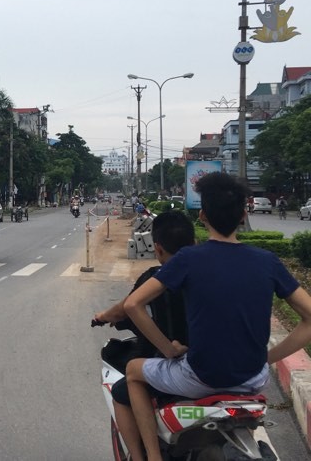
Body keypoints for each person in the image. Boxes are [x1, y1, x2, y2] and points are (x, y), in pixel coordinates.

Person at [124, 171, 311, 461]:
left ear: (202, 216)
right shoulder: (268, 261)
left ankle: (149, 456)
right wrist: (267, 359)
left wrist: (168, 349)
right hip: (253, 379)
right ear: (242, 216)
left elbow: (132, 305)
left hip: (200, 377)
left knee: (134, 372)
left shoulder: (188, 259)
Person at [93, 211, 195, 461]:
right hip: (217, 364)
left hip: (179, 365)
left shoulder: (156, 278)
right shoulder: (209, 274)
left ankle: (143, 456)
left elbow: (126, 307)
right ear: (194, 243)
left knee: (122, 390)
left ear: (158, 248)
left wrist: (102, 316)